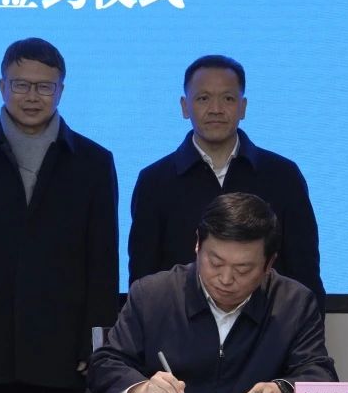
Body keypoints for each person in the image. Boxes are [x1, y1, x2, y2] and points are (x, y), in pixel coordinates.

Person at [0, 37, 119, 393]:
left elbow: (103, 262)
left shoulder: (93, 162)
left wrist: (96, 342)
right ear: (2, 86)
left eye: (44, 86)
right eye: (21, 85)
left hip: (62, 349)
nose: (32, 96)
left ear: (60, 90)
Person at [90, 192, 336, 393]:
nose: (226, 279)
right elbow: (105, 365)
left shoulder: (293, 303)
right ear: (198, 244)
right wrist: (141, 389)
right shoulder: (152, 295)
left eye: (243, 269)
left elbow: (321, 374)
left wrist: (282, 390)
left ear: (269, 263)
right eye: (215, 263)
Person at [128, 54, 325, 307]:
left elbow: (305, 273)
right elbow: (143, 279)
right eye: (203, 98)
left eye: (228, 98)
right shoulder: (155, 181)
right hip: (180, 327)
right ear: (185, 106)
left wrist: (307, 329)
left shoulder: (283, 175)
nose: (216, 109)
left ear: (243, 107)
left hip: (269, 326)